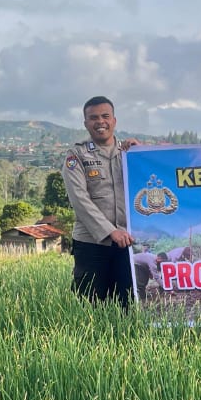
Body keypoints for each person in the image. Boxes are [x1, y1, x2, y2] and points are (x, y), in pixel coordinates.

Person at [62, 96, 140, 303]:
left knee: (128, 305)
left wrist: (141, 155)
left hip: (127, 243)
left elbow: (149, 186)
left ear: (114, 120)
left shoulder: (129, 153)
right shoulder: (77, 155)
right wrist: (110, 231)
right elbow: (79, 200)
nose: (100, 122)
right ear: (86, 123)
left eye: (105, 116)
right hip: (91, 244)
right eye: (93, 118)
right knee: (90, 305)